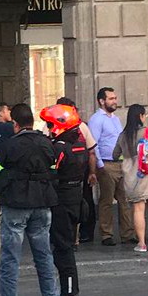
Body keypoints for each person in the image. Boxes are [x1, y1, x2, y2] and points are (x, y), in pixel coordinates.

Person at [0, 103, 60, 296]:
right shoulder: (46, 144)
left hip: (16, 205)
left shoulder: (8, 146)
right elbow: (55, 168)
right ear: (32, 122)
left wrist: (9, 175)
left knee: (10, 258)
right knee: (44, 256)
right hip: (43, 204)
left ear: (15, 124)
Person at [41, 104, 88, 296]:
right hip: (75, 197)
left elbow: (50, 173)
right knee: (64, 245)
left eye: (50, 125)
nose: (49, 129)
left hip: (63, 200)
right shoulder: (78, 144)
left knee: (63, 248)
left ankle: (69, 291)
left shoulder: (60, 149)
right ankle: (68, 289)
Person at [112, 104, 148, 253]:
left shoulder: (122, 135)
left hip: (132, 177)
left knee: (137, 210)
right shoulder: (146, 132)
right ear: (140, 116)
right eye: (145, 115)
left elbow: (114, 155)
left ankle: (141, 243)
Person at [88, 87, 134, 246]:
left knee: (124, 199)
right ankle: (106, 234)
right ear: (102, 101)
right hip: (107, 164)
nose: (115, 101)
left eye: (115, 98)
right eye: (111, 98)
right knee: (106, 200)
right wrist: (99, 165)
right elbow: (94, 144)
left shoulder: (115, 118)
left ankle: (127, 234)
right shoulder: (96, 119)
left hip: (120, 163)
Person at [56, 96, 97, 243]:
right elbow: (91, 152)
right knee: (82, 201)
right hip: (77, 170)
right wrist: (92, 172)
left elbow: (91, 151)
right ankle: (79, 234)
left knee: (81, 201)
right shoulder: (80, 126)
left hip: (70, 172)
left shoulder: (81, 126)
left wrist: (92, 173)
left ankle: (78, 234)